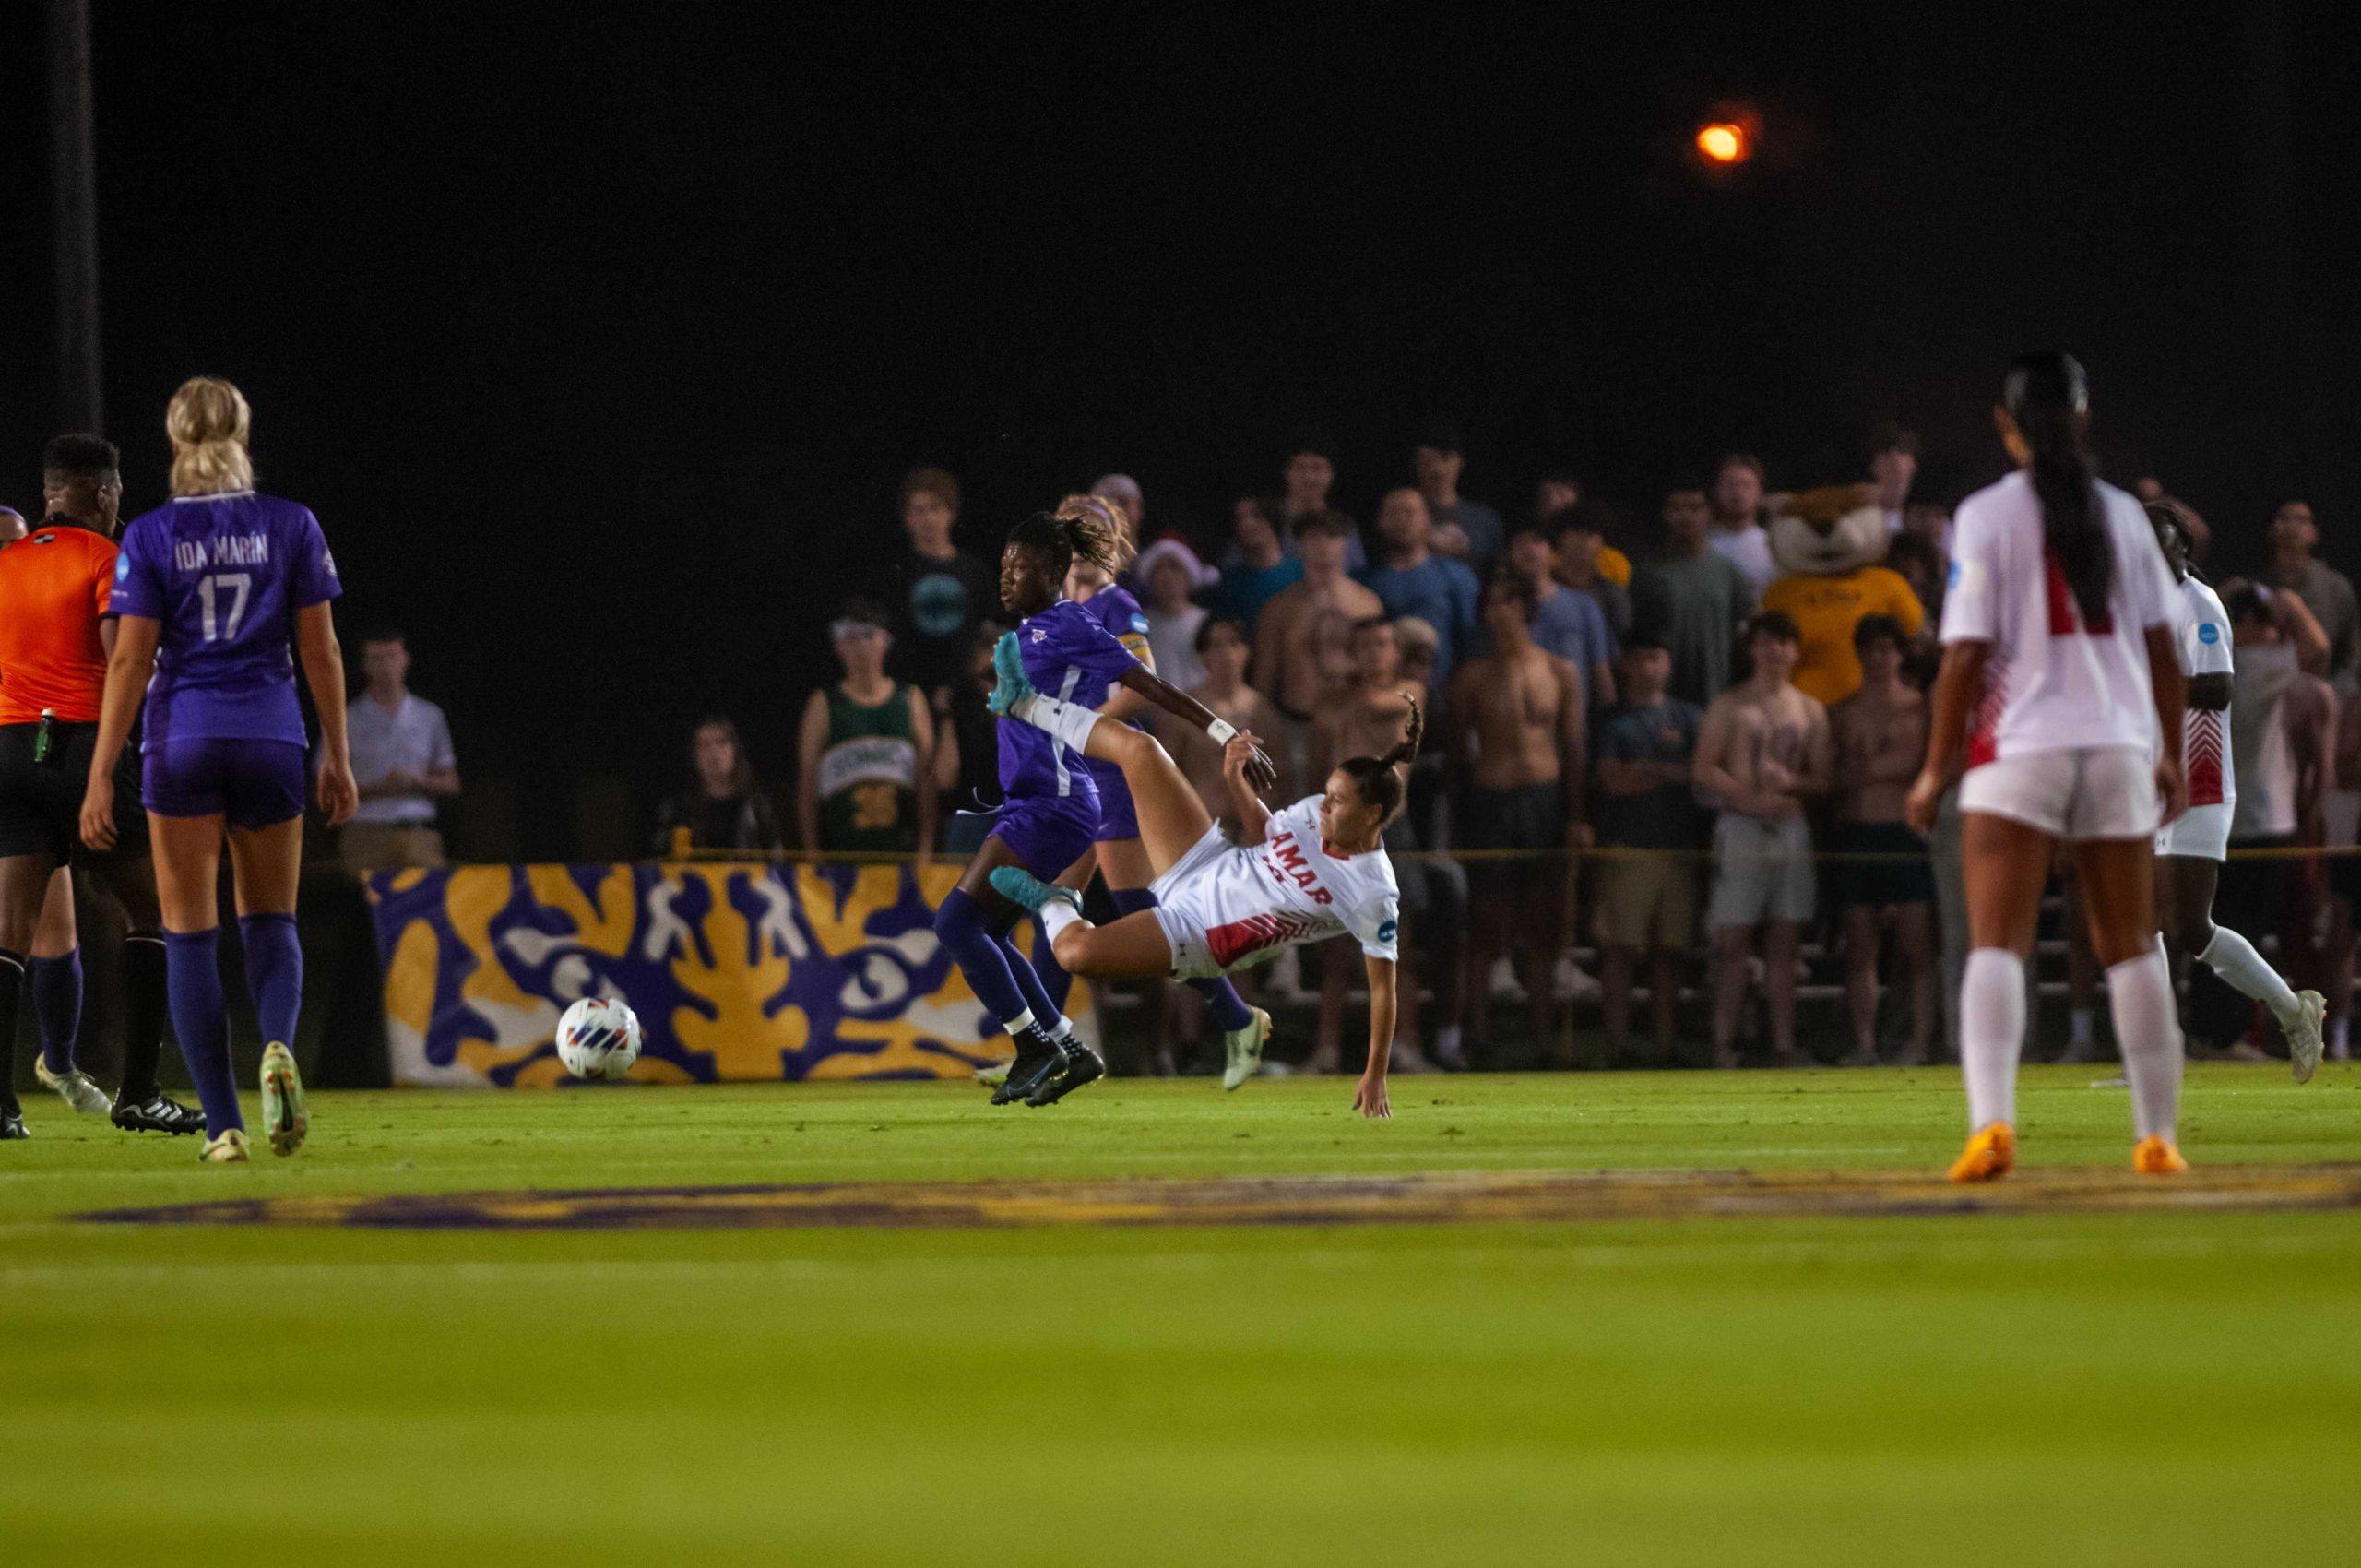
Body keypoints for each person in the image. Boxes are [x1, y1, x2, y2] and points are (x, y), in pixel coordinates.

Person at [1904, 350, 2189, 1182]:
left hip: (2019, 747)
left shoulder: (1988, 515)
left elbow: (1963, 658)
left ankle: (1992, 1126)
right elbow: (2164, 650)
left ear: (2006, 424)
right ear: (2084, 416)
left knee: (1997, 945)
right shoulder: (2126, 517)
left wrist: (1932, 769)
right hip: (2114, 744)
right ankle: (2157, 1136)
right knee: (2132, 946)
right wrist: (2167, 750)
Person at [78, 376, 360, 1164]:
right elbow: (321, 651)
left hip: (184, 739)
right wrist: (337, 751)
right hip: (271, 737)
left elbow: (131, 659)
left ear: (174, 444)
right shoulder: (291, 524)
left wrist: (102, 772)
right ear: (244, 434)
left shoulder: (154, 536)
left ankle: (221, 1126)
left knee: (190, 933)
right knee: (271, 922)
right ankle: (276, 1046)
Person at [933, 505, 1264, 1110]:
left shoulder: (1079, 620)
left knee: (965, 925)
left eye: (1021, 566)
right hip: (1041, 799)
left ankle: (1044, 1045)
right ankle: (1063, 1043)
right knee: (1013, 930)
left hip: (1065, 799)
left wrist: (1220, 732)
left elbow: (1151, 686)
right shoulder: (1025, 633)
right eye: (1005, 566)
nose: (1007, 577)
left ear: (1058, 567)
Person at [988, 673, 1410, 1121]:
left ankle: (1051, 900)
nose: (1323, 806)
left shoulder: (1373, 892)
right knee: (1140, 749)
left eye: (1337, 801)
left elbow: (1384, 989)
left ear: (1373, 816)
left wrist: (1375, 1072)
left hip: (1201, 933)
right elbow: (1268, 834)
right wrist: (1234, 776)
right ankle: (1025, 703)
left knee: (1073, 953)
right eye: (1327, 795)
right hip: (1205, 861)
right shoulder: (1314, 812)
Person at [0, 434, 205, 1139]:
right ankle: (140, 1093)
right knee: (157, 912)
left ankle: (0, 1108)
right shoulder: (108, 560)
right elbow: (124, 666)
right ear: (106, 493)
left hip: (8, 749)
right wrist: (102, 774)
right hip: (81, 745)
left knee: (8, 931)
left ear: (51, 490)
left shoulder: (6, 561)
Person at [1033, 503, 1264, 1083]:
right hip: (1079, 768)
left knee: (1130, 912)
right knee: (1060, 901)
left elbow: (1144, 687)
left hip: (1108, 767)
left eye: (1088, 530)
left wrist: (1078, 727)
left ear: (1113, 544)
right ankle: (1042, 1043)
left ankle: (1236, 1017)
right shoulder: (1055, 608)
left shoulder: (1118, 605)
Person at [2146, 503, 2324, 1078]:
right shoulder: (2139, 608)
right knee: (2144, 923)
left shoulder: (2200, 604)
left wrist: (2148, 691)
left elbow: (2219, 687)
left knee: (2191, 927)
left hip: (2199, 777)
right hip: (2156, 778)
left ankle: (2293, 1010)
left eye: (2167, 543)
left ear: (2183, 550)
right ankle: (2155, 1051)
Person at [1311, 617, 1460, 1073]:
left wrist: (1342, 678)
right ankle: (1327, 1049)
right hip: (1340, 829)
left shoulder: (1409, 692)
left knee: (1399, 943)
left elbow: (1376, 707)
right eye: (1366, 645)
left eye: (1383, 645)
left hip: (1391, 829)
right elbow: (1321, 746)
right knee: (1336, 947)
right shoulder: (1336, 701)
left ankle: (1408, 1046)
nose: (1375, 653)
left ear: (1397, 653)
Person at [1450, 575, 1586, 1063]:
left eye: (1507, 602)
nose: (1497, 612)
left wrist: (1576, 816)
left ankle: (1544, 1034)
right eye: (1490, 603)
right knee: (1486, 921)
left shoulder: (1560, 672)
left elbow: (1572, 749)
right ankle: (1479, 1032)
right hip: (1492, 800)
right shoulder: (1473, 677)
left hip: (1544, 801)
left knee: (1544, 923)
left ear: (1525, 609)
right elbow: (1457, 758)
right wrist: (1460, 821)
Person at [2197, 586, 2335, 1059]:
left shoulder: (2257, 665)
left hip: (2245, 815)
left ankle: (2236, 1034)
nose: (2261, 630)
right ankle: (2216, 1034)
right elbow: (2315, 649)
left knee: (2218, 927)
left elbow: (2317, 650)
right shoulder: (2246, 662)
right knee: (2197, 928)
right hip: (2228, 812)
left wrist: (2289, 603)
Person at [1695, 612, 1830, 1067]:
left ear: (1795, 651)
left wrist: (1790, 784)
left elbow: (1823, 777)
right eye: (1767, 642)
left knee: (1785, 941)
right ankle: (1722, 1044)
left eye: (1784, 643)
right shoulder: (1729, 706)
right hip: (1742, 828)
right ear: (1752, 648)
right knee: (1732, 940)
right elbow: (1705, 766)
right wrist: (1746, 797)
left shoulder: (1810, 709)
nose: (1775, 652)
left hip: (1789, 828)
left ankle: (1784, 1045)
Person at [1828, 615, 1936, 1066]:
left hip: (1903, 833)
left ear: (1900, 654)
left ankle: (1920, 1042)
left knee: (1917, 945)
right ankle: (1865, 1044)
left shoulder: (1919, 708)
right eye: (1870, 649)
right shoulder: (1842, 710)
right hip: (1857, 832)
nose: (1879, 658)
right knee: (1860, 945)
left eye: (1887, 649)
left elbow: (1919, 764)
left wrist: (1870, 769)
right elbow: (1834, 774)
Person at [1590, 634, 1703, 1059]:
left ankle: (1665, 1044)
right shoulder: (1611, 720)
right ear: (1626, 665)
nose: (1648, 667)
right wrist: (1669, 773)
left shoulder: (1689, 716)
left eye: (1656, 656)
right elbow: (1612, 781)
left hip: (1679, 846)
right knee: (1620, 950)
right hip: (1628, 845)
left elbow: (1700, 773)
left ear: (1669, 664)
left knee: (1669, 953)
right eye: (1640, 658)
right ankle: (1616, 1044)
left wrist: (1647, 770)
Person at [797, 600, 933, 857]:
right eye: (849, 637)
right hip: (841, 858)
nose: (859, 645)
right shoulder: (824, 704)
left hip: (900, 854)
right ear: (837, 645)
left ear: (885, 641)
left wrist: (925, 850)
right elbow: (807, 785)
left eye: (868, 635)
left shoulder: (910, 699)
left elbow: (926, 782)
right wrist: (812, 854)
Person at [1254, 509, 1382, 782]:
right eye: (1314, 537)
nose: (1323, 545)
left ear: (1345, 543)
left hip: (1352, 724)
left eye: (1332, 536)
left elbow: (1381, 671)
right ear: (1300, 545)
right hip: (1297, 726)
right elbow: (1264, 677)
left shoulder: (1367, 603)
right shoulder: (1279, 607)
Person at [340, 629, 459, 872]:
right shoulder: (347, 718)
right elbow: (327, 791)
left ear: (405, 659)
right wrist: (378, 789)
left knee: (423, 904)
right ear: (364, 665)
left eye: (392, 656)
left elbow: (451, 783)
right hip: (366, 833)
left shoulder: (429, 715)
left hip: (419, 831)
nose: (386, 665)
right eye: (377, 658)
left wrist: (417, 782)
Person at [1631, 481, 1756, 708]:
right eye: (1676, 509)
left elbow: (1746, 631)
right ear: (1665, 514)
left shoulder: (1727, 572)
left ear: (1709, 513)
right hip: (1664, 702)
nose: (1685, 516)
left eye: (1695, 508)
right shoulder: (1648, 573)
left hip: (1718, 697)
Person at [883, 466, 997, 694]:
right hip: (908, 690)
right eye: (919, 510)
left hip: (965, 691)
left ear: (951, 512)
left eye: (935, 508)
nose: (928, 518)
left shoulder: (975, 572)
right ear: (907, 518)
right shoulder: (893, 574)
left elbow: (991, 631)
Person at [1358, 489, 1479, 688]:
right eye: (1393, 513)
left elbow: (1470, 641)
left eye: (1409, 512)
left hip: (1441, 699)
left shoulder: (1456, 576)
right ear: (1380, 522)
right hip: (1381, 698)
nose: (1401, 520)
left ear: (1427, 521)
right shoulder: (1363, 581)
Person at [1503, 522, 1617, 707]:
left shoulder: (1584, 606)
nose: (1529, 548)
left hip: (1572, 715)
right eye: (1520, 542)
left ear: (1553, 555)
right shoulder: (1502, 608)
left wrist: (1609, 715)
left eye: (1537, 541)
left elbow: (1600, 669)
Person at [2260, 500, 2359, 684]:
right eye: (2284, 518)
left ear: (2315, 532)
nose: (2292, 527)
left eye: (2301, 520)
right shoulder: (2257, 586)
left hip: (2319, 687)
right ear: (2271, 528)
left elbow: (2345, 655)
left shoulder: (2334, 588)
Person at [654, 716, 783, 855]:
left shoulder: (759, 808)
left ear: (736, 750)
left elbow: (777, 861)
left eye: (722, 742)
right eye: (704, 745)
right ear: (694, 756)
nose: (714, 752)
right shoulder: (677, 810)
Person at [930, 629, 1006, 856]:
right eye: (986, 675)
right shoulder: (961, 708)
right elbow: (944, 778)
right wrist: (947, 716)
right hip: (969, 822)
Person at [1411, 419, 1505, 578]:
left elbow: (1499, 575)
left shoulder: (1485, 520)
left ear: (1460, 462)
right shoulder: (1401, 517)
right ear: (1416, 465)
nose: (1437, 469)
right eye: (1427, 460)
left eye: (1445, 458)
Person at [1205, 496, 1303, 633]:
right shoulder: (1229, 582)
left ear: (1272, 519)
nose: (1248, 524)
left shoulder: (1301, 572)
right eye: (1240, 519)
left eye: (1256, 516)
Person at [1135, 537, 1214, 694]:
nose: (1167, 575)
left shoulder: (1206, 621)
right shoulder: (1139, 625)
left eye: (1174, 567)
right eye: (1159, 569)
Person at [1708, 453, 1778, 596]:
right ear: (1716, 492)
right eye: (1730, 485)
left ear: (1759, 493)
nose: (1738, 492)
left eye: (1746, 485)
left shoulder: (1775, 547)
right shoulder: (1703, 546)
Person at [1868, 422, 1920, 536]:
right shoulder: (1853, 526)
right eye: (1886, 451)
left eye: (1903, 449)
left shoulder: (1927, 527)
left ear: (1913, 465)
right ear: (1873, 467)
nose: (1894, 457)